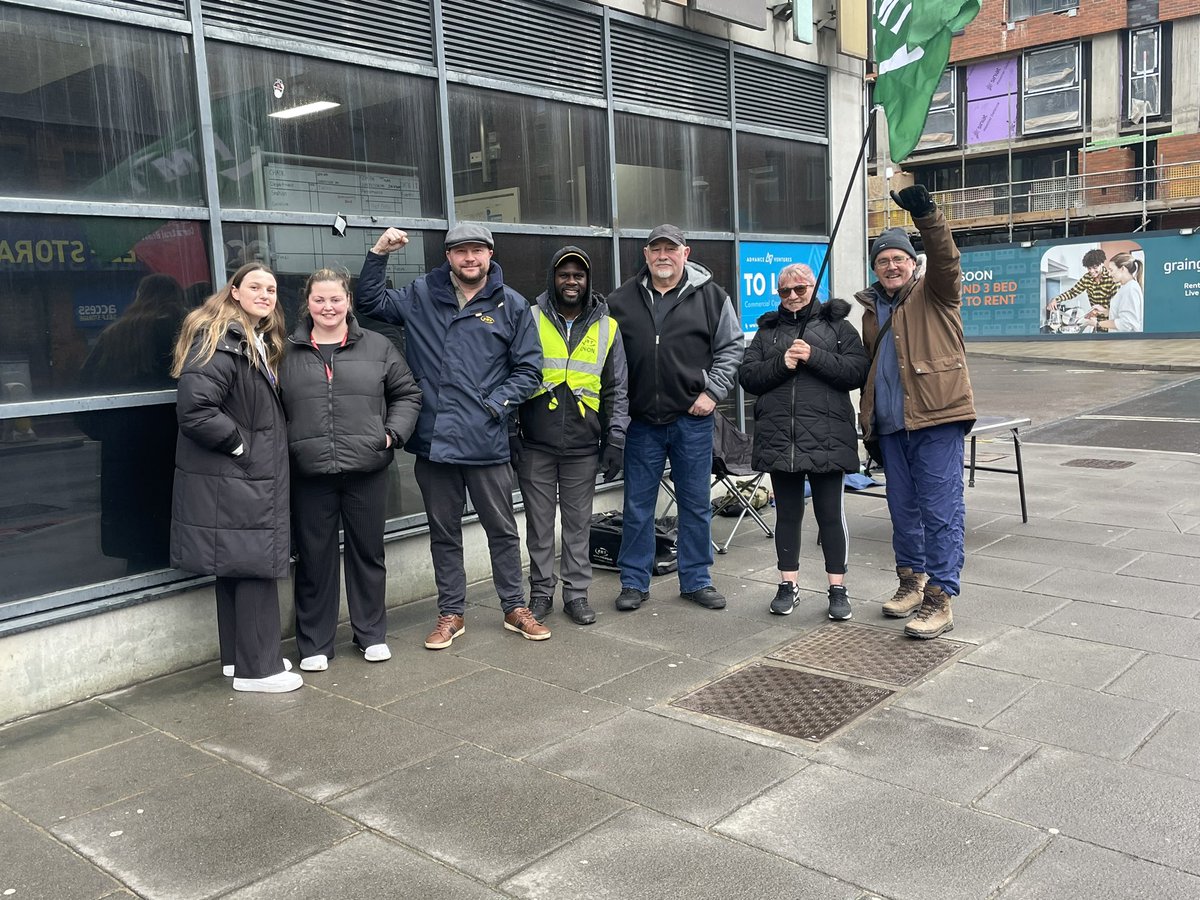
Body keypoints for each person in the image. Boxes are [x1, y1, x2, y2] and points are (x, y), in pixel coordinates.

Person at [356, 224, 547, 649]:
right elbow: (369, 302)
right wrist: (378, 253)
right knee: (444, 534)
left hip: (486, 441)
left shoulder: (510, 304)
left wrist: (495, 406)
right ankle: (451, 613)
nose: (470, 259)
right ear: (448, 257)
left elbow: (530, 371)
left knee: (501, 530)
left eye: (477, 251)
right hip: (435, 441)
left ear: (490, 254)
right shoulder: (421, 294)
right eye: (461, 251)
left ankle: (515, 607)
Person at [279, 268, 422, 672]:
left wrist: (391, 434)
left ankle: (371, 634)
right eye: (319, 299)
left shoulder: (377, 345)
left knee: (367, 554)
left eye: (336, 299)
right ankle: (314, 644)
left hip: (367, 469)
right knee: (313, 560)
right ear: (307, 303)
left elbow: (408, 393)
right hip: (309, 473)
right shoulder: (284, 351)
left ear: (349, 302)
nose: (328, 307)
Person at [170, 264, 302, 692]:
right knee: (254, 564)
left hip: (238, 477)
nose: (265, 295)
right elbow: (196, 411)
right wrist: (241, 448)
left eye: (271, 289)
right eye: (255, 287)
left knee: (233, 565)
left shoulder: (244, 338)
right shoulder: (221, 339)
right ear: (235, 291)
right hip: (239, 474)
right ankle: (258, 670)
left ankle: (236, 660)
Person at [855, 185, 976, 640]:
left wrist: (927, 216)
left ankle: (941, 598)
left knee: (942, 510)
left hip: (937, 417)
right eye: (883, 259)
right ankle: (911, 580)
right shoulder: (870, 312)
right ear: (875, 267)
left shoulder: (936, 292)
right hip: (890, 426)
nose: (891, 265)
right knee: (902, 510)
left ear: (912, 263)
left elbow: (945, 258)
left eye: (899, 259)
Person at [606, 224, 744, 613]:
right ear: (646, 255)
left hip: (692, 419)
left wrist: (713, 391)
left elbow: (731, 346)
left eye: (672, 248)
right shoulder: (620, 301)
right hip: (641, 422)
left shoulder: (713, 297)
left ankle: (697, 579)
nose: (663, 255)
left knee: (695, 502)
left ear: (686, 253)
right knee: (637, 506)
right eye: (656, 249)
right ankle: (634, 581)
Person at [739, 264, 869, 620]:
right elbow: (748, 377)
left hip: (828, 438)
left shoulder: (839, 327)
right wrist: (783, 362)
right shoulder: (767, 333)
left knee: (830, 515)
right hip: (781, 439)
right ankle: (788, 584)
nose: (793, 296)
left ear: (814, 288)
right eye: (785, 291)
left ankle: (837, 588)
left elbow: (857, 372)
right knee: (788, 515)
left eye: (801, 289)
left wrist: (814, 356)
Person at [512, 247, 629, 626]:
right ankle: (542, 593)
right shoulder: (528, 318)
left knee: (578, 526)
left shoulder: (607, 326)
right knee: (539, 525)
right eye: (565, 275)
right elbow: (511, 373)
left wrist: (615, 440)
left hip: (582, 444)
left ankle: (576, 596)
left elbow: (616, 390)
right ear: (553, 278)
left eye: (579, 275)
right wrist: (512, 429)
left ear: (588, 281)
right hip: (536, 441)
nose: (572, 282)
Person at [78, 274, 189, 573]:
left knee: (138, 543)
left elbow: (83, 397)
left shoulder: (114, 334)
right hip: (172, 443)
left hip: (124, 447)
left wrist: (113, 431)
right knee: (174, 531)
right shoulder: (179, 329)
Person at [1045, 248, 1117, 329]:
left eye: (1095, 267)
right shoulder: (1087, 278)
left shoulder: (1112, 278)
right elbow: (1072, 292)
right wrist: (1055, 299)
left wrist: (1102, 311)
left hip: (1111, 323)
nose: (1092, 271)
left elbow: (1117, 306)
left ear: (1102, 264)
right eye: (1089, 268)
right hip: (1095, 322)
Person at [1093, 252, 1144, 333]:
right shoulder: (1125, 287)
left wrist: (1097, 324)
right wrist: (1105, 311)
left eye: (1111, 270)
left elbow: (1126, 323)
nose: (1109, 274)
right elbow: (1122, 314)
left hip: (1126, 344)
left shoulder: (1131, 289)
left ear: (1123, 269)